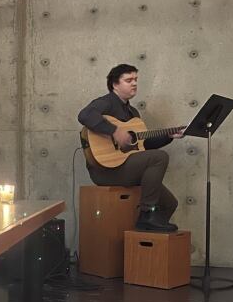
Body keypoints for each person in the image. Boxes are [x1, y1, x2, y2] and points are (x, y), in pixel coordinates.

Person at [78, 64, 184, 232]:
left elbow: (143, 144)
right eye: (128, 80)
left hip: (125, 166)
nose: (134, 83)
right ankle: (146, 214)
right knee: (159, 157)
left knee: (170, 203)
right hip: (105, 171)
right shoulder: (106, 103)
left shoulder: (133, 113)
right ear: (115, 84)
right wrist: (114, 131)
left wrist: (168, 136)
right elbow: (84, 115)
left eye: (135, 80)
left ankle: (144, 244)